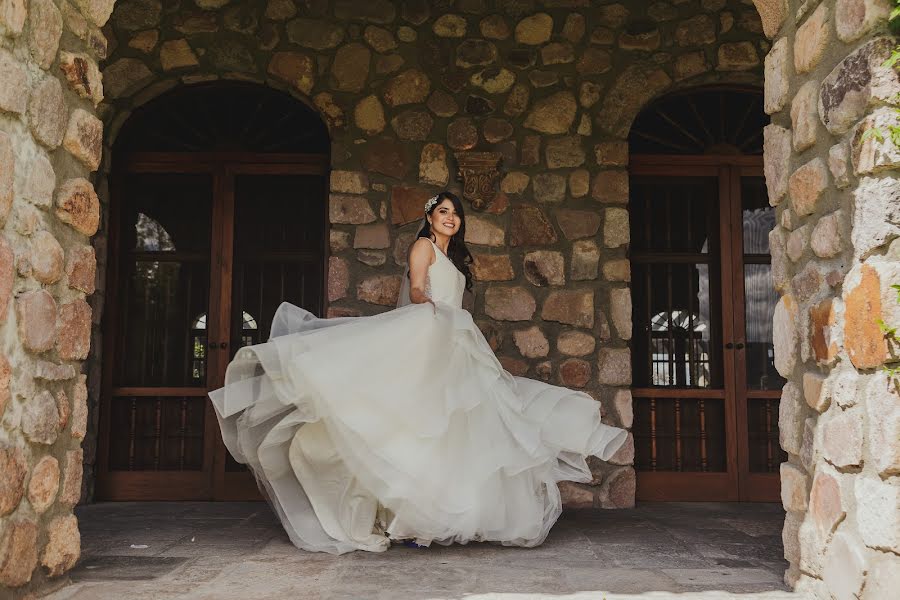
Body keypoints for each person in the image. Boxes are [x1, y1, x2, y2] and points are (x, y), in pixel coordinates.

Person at [209, 191, 627, 554]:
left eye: (455, 213)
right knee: (426, 421)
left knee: (470, 424)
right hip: (433, 328)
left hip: (460, 340)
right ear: (429, 217)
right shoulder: (424, 246)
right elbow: (416, 286)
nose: (450, 217)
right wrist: (425, 304)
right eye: (443, 211)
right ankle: (411, 518)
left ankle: (446, 515)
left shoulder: (454, 256)